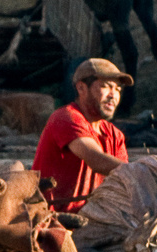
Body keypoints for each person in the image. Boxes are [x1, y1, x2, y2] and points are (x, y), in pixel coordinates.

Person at [33, 58, 130, 212]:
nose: (114, 95)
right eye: (106, 86)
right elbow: (95, 159)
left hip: (90, 220)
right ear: (81, 88)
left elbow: (123, 178)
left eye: (118, 89)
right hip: (48, 219)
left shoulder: (115, 135)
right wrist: (144, 170)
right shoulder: (66, 117)